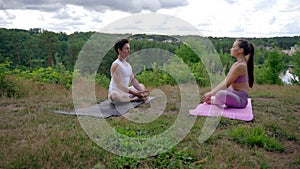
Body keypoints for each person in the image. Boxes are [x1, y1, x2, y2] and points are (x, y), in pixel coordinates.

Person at [203, 39, 255, 108]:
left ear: (240, 50)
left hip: (240, 100)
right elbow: (226, 80)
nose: (231, 49)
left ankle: (214, 101)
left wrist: (211, 93)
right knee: (221, 90)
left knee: (220, 94)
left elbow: (226, 83)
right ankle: (216, 99)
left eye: (233, 47)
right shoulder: (237, 64)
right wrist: (212, 92)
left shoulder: (240, 66)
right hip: (234, 93)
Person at [108, 38, 148, 103]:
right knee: (114, 96)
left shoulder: (128, 65)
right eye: (126, 48)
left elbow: (132, 80)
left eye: (129, 48)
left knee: (141, 86)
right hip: (117, 92)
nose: (129, 50)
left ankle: (133, 98)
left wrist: (142, 92)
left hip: (126, 92)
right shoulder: (116, 65)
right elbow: (119, 85)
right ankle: (134, 99)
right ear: (119, 50)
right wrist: (135, 93)